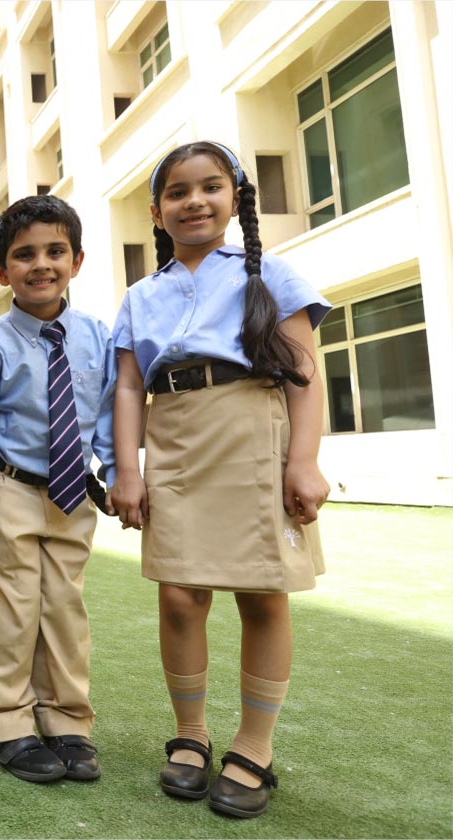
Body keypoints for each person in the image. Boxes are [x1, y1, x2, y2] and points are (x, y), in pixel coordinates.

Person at [109, 141, 331, 819]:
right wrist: (127, 470)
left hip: (251, 430)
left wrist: (303, 459)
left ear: (236, 197)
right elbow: (125, 388)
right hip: (173, 434)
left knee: (262, 593)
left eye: (210, 187)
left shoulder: (272, 278)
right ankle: (190, 733)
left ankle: (254, 747)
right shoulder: (141, 296)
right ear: (157, 211)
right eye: (178, 192)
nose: (195, 201)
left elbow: (304, 370)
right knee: (179, 594)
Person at [0, 195, 116, 784]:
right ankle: (2, 723)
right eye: (24, 255)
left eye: (54, 252)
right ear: (1, 271)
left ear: (77, 260)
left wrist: (115, 475)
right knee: (12, 610)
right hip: (5, 490)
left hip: (70, 494)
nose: (41, 265)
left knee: (65, 609)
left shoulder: (97, 337)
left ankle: (66, 719)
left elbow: (108, 417)